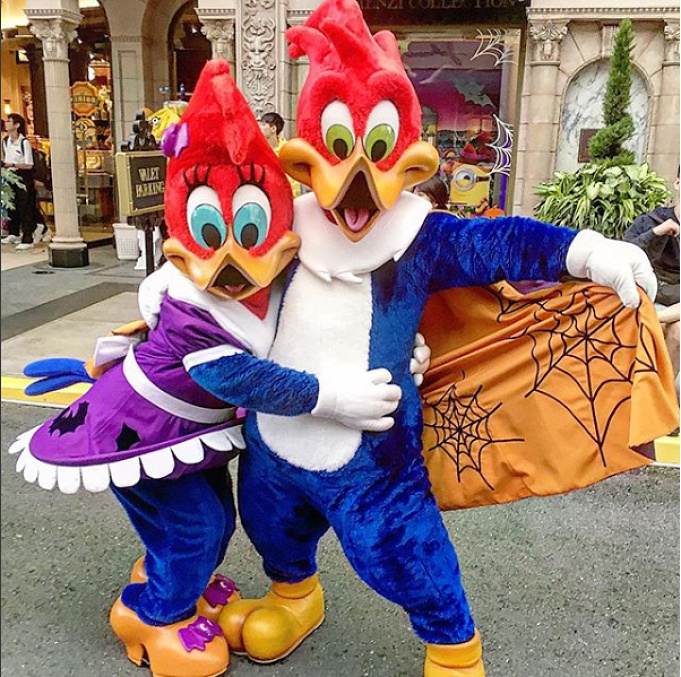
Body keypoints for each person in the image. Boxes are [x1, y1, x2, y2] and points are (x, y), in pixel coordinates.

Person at [624, 168, 680, 395]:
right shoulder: (652, 220)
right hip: (650, 295)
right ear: (677, 183)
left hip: (676, 305)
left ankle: (664, 398)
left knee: (677, 331)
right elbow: (623, 253)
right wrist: (657, 232)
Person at [1, 114, 49, 250]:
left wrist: (12, 164)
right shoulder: (6, 141)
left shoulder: (24, 142)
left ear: (17, 125)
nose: (6, 123)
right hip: (10, 175)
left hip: (23, 175)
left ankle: (28, 237)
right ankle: (14, 232)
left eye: (9, 121)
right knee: (12, 205)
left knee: (25, 206)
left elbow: (29, 164)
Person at [258, 112, 302, 198]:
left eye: (263, 125)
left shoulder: (288, 152)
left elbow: (294, 183)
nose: (259, 127)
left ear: (273, 128)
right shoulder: (257, 151)